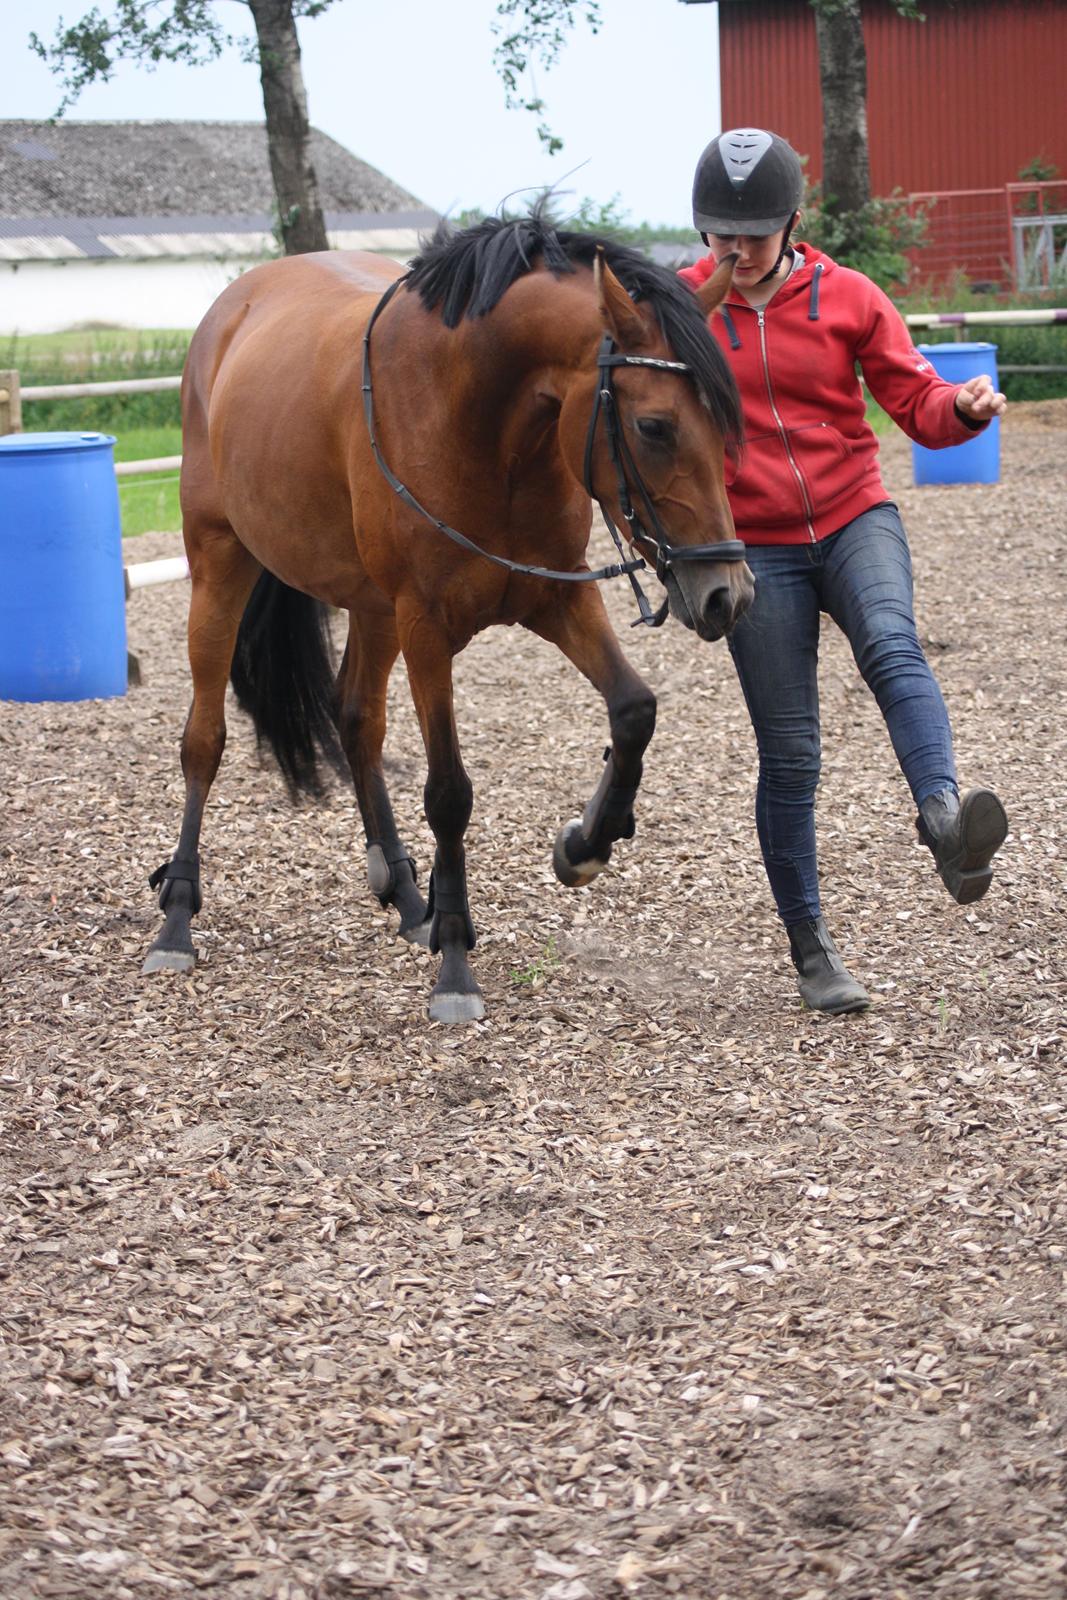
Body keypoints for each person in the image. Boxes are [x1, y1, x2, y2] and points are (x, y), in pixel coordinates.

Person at [679, 127, 1008, 1015]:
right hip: (753, 547)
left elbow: (915, 400)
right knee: (789, 758)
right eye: (719, 236)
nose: (735, 253)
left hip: (854, 512)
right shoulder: (677, 309)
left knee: (893, 646)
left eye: (751, 236)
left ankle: (944, 819)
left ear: (790, 222)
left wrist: (963, 408)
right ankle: (811, 948)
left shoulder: (850, 297)